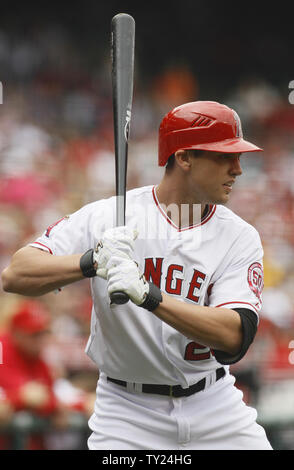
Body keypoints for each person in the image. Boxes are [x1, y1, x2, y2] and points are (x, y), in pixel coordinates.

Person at [1, 101, 273, 450]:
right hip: (127, 412)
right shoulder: (110, 216)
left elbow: (236, 335)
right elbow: (16, 274)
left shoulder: (239, 236)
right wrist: (91, 261)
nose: (237, 169)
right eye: (224, 157)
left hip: (214, 405)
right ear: (185, 157)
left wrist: (149, 296)